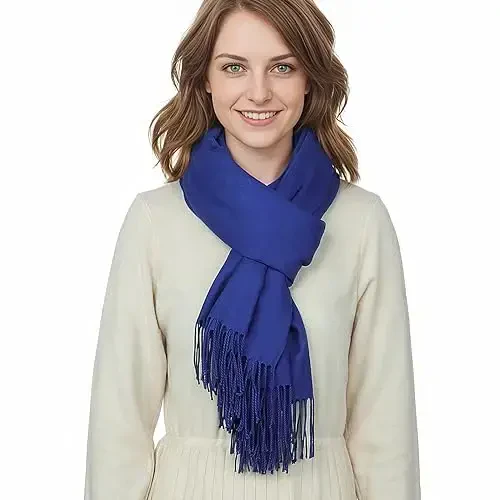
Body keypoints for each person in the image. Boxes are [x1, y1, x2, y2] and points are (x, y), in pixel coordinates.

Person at [83, 1, 421, 499]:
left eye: (282, 68)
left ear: (310, 80)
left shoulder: (362, 221)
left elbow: (385, 425)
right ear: (205, 79)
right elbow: (120, 422)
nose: (258, 92)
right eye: (234, 67)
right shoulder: (155, 220)